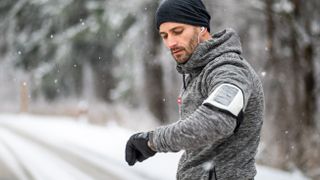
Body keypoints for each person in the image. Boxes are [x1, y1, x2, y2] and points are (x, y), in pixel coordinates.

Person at [125, 0, 264, 179]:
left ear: (201, 27)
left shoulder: (229, 69)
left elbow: (216, 120)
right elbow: (197, 126)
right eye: (165, 35)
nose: (170, 43)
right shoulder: (198, 70)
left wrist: (153, 141)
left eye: (177, 31)